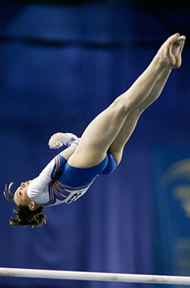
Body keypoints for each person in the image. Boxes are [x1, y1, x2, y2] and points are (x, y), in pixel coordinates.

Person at [4, 33, 186, 227]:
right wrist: (67, 138)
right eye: (20, 193)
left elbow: (79, 152)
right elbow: (58, 161)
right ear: (32, 205)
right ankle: (160, 59)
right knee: (121, 105)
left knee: (136, 110)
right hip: (88, 160)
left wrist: (74, 141)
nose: (23, 185)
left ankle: (168, 66)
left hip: (107, 163)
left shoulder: (56, 199)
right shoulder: (36, 194)